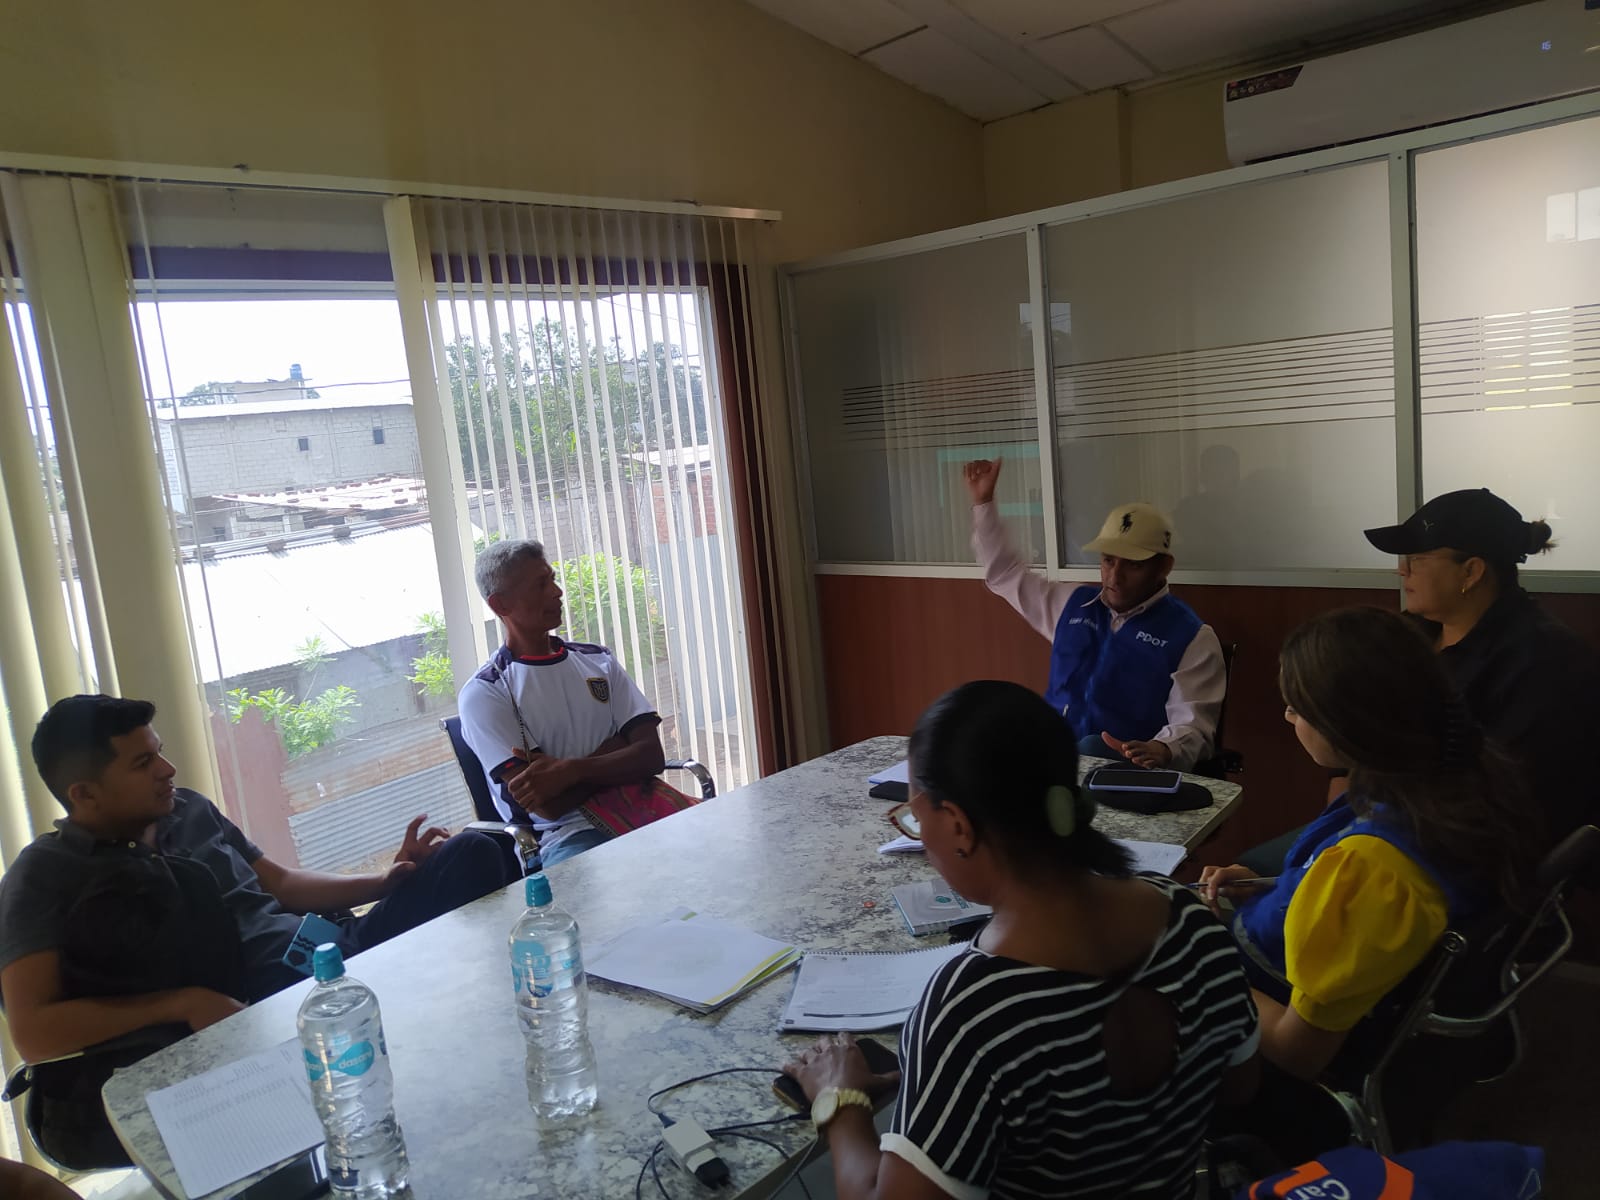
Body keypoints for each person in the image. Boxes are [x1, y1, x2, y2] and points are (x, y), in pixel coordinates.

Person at [783, 680, 1259, 1200]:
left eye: (916, 817)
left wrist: (840, 1101)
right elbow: (1238, 1085)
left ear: (958, 825)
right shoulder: (1192, 919)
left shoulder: (971, 1011)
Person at [0, 694, 512, 1164]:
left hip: (332, 955)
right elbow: (33, 1033)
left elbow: (281, 883)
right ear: (85, 794)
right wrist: (184, 1004)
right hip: (265, 1015)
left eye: (160, 752)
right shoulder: (44, 876)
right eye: (142, 763)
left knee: (473, 851)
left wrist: (384, 881)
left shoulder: (189, 808)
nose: (167, 770)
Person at [1201, 608, 1537, 1083]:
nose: (1288, 716)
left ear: (1347, 724)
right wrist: (1280, 887)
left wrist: (1202, 963)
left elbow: (1297, 1053)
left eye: (1297, 707)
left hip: (1264, 1040)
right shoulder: (1447, 779)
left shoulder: (1372, 872)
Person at [1364, 487, 1600, 840]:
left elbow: (1512, 795)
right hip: (1387, 819)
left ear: (1471, 572)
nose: (1402, 571)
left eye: (1416, 559)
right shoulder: (1408, 633)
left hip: (1468, 845)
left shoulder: (1545, 661)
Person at [964, 458, 1225, 771]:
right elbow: (1004, 574)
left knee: (1090, 746)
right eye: (1108, 561)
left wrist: (1162, 749)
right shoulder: (1071, 604)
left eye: (1134, 565)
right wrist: (984, 503)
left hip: (1127, 772)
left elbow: (1194, 728)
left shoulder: (1192, 638)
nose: (1115, 577)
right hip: (1054, 761)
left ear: (1163, 567)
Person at [457, 539, 670, 866]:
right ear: (501, 604)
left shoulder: (597, 660)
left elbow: (651, 756)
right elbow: (549, 805)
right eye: (540, 585)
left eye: (553, 579)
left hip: (643, 805)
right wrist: (617, 749)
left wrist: (569, 770)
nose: (557, 592)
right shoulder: (486, 693)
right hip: (568, 836)